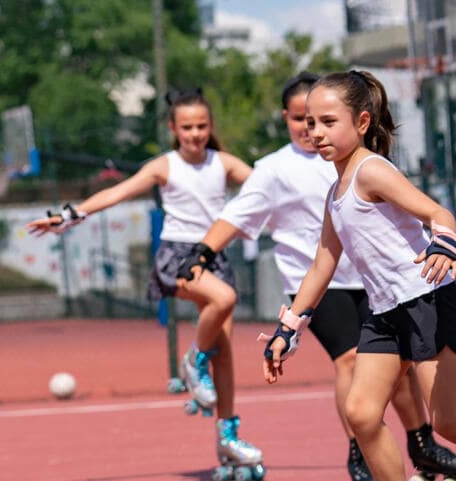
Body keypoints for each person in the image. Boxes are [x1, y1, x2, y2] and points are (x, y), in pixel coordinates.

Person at [183, 72, 456, 480]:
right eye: (311, 123)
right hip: (385, 315)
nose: (316, 132)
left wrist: (443, 243)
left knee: (447, 424)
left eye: (329, 122)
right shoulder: (335, 192)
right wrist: (288, 327)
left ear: (362, 123)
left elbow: (439, 214)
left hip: (427, 302)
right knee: (361, 415)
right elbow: (321, 265)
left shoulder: (371, 171)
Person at [26, 87, 258, 477]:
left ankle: (227, 437)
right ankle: (192, 360)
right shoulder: (164, 166)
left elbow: (267, 188)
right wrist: (69, 215)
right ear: (173, 128)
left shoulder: (224, 164)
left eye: (202, 126)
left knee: (226, 354)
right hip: (179, 257)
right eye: (187, 127)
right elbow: (117, 192)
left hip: (213, 254)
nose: (195, 134)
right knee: (225, 300)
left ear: (211, 126)